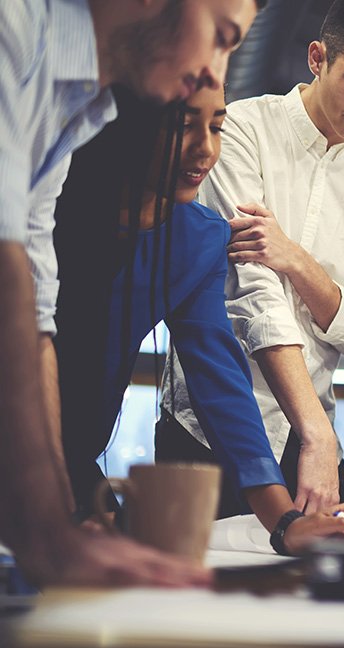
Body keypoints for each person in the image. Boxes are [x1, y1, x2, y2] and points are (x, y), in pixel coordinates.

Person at [52, 84, 344, 557]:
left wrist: (285, 523)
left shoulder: (197, 238)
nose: (206, 150)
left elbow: (219, 379)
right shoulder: (43, 212)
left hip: (70, 452)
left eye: (216, 126)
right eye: (182, 126)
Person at [0, 0, 262, 589]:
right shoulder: (12, 30)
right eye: (219, 37)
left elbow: (36, 311)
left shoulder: (77, 110)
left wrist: (61, 520)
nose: (216, 72)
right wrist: (47, 532)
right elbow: (6, 268)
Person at [157, 0, 344, 516]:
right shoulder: (237, 129)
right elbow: (250, 291)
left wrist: (298, 262)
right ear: (317, 58)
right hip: (207, 428)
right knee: (194, 588)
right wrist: (318, 433)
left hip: (305, 438)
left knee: (339, 579)